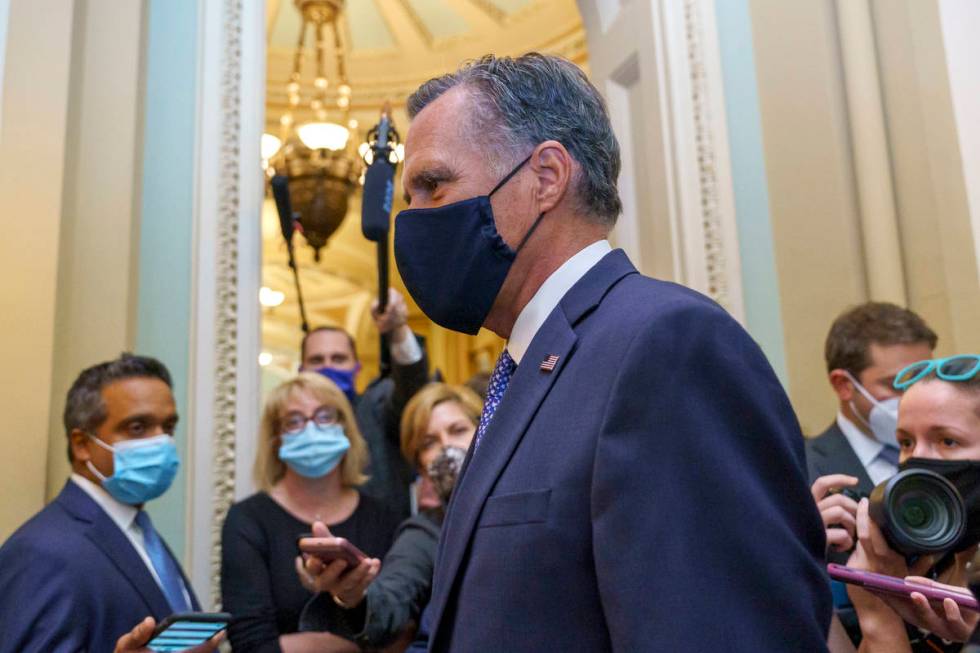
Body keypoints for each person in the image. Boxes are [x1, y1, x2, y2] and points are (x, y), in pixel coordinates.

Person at [389, 52, 830, 651]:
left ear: (545, 177)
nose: (411, 219)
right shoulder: (526, 367)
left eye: (431, 186)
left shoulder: (667, 347)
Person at [0, 354, 202, 652]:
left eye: (168, 427)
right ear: (82, 444)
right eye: (137, 427)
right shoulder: (42, 552)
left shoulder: (139, 532)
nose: (161, 442)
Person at [220, 372, 402, 653]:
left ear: (345, 427)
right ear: (276, 438)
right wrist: (346, 647)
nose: (311, 429)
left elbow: (401, 628)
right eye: (293, 421)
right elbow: (249, 642)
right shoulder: (248, 519)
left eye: (325, 416)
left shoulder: (384, 517)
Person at [299, 384, 482, 650]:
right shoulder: (426, 532)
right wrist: (354, 596)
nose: (447, 446)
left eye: (458, 430)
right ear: (421, 465)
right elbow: (393, 596)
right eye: (429, 442)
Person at [843, 354, 980, 652]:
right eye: (906, 442)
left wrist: (881, 616)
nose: (918, 459)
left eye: (947, 441)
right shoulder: (925, 560)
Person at [300, 287, 429, 519]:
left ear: (356, 368)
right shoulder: (289, 425)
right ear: (302, 370)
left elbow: (410, 389)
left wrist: (397, 330)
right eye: (317, 360)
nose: (328, 367)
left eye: (338, 359)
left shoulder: (377, 407)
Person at [807, 303, 938, 495]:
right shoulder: (803, 469)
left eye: (924, 380)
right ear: (843, 385)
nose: (913, 396)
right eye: (896, 384)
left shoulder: (956, 452)